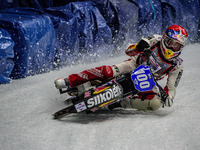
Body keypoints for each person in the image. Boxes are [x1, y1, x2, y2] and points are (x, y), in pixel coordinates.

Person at [54, 25, 188, 111]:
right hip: (134, 65)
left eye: (176, 46)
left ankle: (121, 103)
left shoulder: (177, 65)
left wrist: (169, 97)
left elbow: (171, 87)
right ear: (164, 39)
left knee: (156, 103)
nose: (172, 48)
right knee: (108, 71)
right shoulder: (155, 39)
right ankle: (70, 81)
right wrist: (138, 47)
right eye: (170, 43)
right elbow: (128, 51)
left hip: (147, 81)